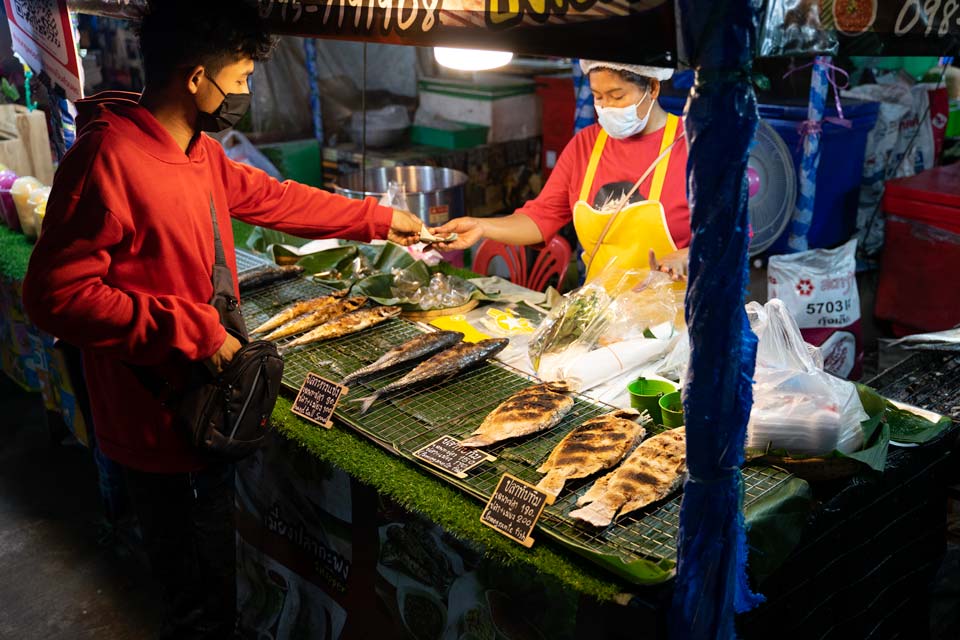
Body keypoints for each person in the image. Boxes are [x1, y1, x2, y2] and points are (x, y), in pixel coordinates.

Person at [21, 2, 422, 638]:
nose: (243, 94)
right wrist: (193, 331)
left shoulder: (197, 151)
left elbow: (270, 197)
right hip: (153, 421)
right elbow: (54, 296)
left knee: (222, 565)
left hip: (208, 401)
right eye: (237, 81)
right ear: (194, 76)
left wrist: (377, 219)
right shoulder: (107, 160)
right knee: (195, 591)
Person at [434, 60, 690, 282]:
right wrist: (480, 226)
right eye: (598, 96)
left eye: (617, 96)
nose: (607, 107)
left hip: (675, 322)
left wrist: (688, 256)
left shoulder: (693, 147)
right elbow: (541, 217)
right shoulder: (586, 145)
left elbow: (727, 239)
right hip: (604, 317)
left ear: (653, 88)